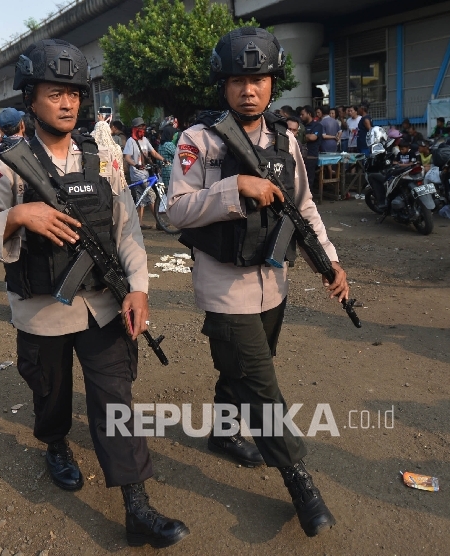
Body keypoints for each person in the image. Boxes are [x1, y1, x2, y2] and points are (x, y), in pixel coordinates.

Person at [0, 38, 188, 549]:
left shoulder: (102, 158)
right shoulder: (10, 164)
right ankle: (55, 443)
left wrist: (141, 289)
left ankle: (137, 505)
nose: (67, 103)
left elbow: (127, 230)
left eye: (74, 94)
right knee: (51, 392)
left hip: (103, 303)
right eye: (55, 93)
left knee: (115, 398)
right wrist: (17, 215)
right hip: (43, 311)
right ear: (31, 97)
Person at [167, 27, 346, 538]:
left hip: (275, 284)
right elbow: (174, 210)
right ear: (223, 85)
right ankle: (299, 480)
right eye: (239, 80)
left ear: (272, 84)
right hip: (225, 288)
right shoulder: (197, 141)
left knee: (243, 372)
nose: (250, 89)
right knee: (262, 388)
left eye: (260, 79)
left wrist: (330, 262)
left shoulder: (287, 140)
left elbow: (304, 209)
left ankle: (224, 435)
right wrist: (233, 187)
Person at [124, 117, 165, 228]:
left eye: (143, 126)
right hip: (137, 174)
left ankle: (139, 223)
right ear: (135, 128)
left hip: (146, 174)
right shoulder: (130, 141)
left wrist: (164, 160)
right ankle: (159, 223)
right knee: (151, 196)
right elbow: (127, 157)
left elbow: (154, 153)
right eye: (140, 126)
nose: (142, 128)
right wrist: (136, 165)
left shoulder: (145, 140)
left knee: (141, 199)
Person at [300, 106, 323, 189]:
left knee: (309, 179)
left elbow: (312, 137)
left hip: (311, 156)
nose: (301, 116)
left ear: (309, 114)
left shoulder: (317, 125)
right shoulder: (301, 125)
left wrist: (300, 137)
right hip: (300, 156)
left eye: (302, 114)